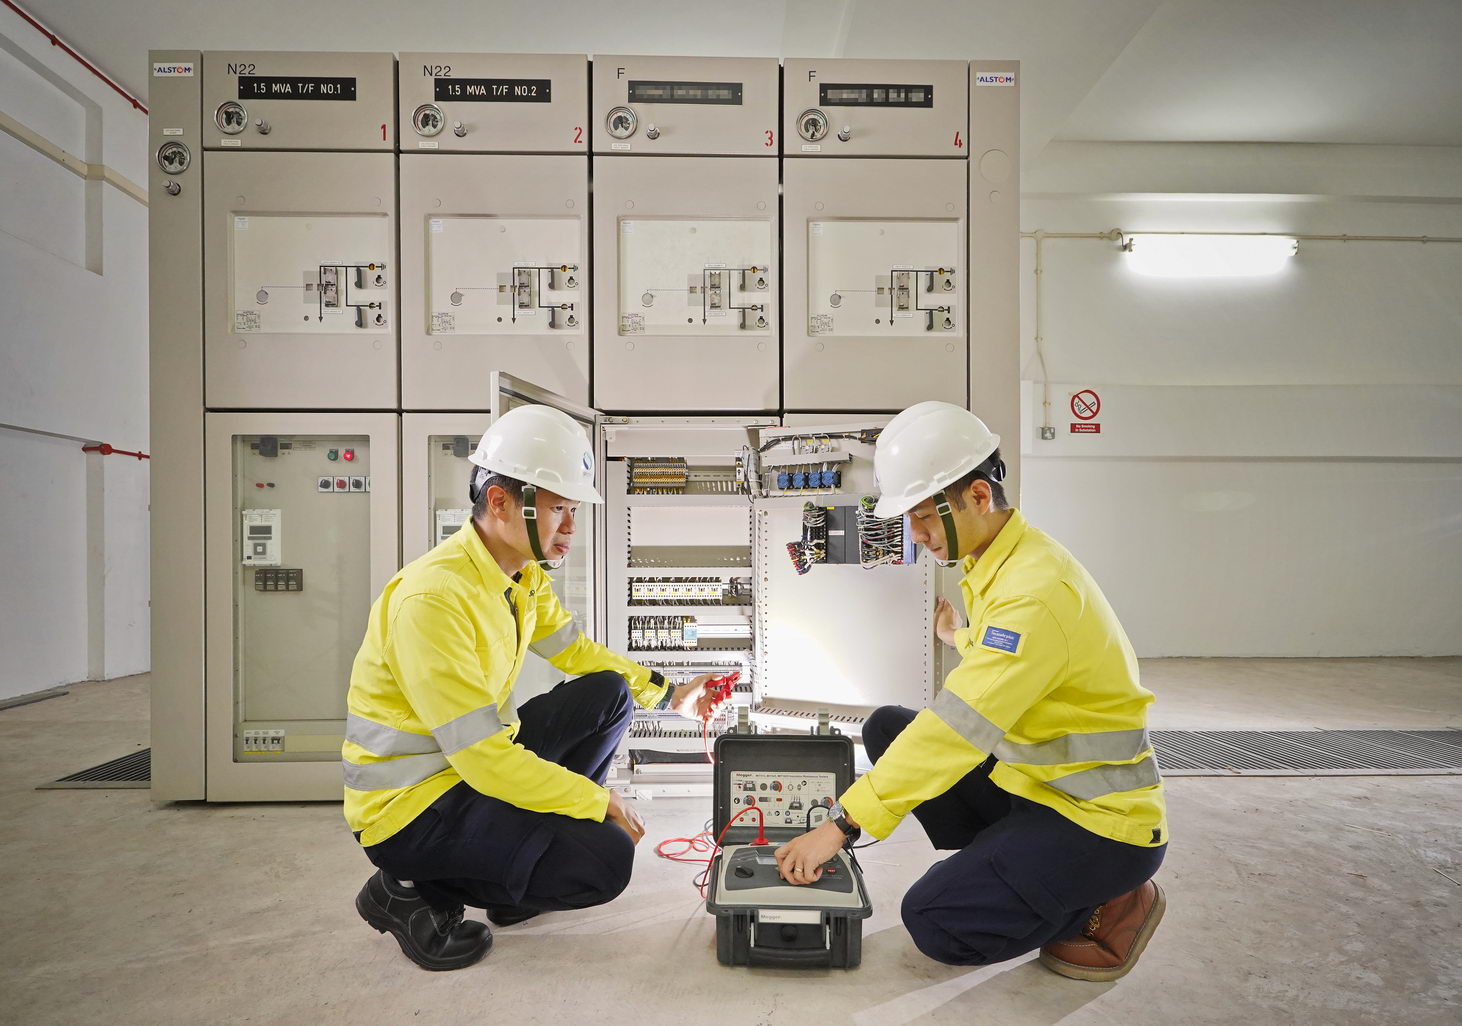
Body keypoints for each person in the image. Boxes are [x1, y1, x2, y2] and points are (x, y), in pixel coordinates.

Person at [773, 401, 1168, 981]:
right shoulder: (1004, 562)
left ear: (979, 496)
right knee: (887, 726)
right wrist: (956, 635)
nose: (916, 535)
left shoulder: (1034, 591)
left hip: (1100, 822)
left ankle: (1106, 905)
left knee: (935, 919)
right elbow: (1011, 659)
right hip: (1035, 788)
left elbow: (957, 727)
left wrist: (842, 824)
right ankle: (1011, 865)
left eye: (924, 517)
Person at [343, 404, 723, 971]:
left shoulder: (519, 575)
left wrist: (670, 695)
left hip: (467, 769)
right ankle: (408, 890)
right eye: (557, 509)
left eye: (573, 510)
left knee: (608, 695)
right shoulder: (433, 600)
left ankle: (511, 878)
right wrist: (597, 801)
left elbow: (576, 652)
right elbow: (482, 758)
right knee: (604, 862)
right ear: (500, 502)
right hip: (411, 808)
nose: (570, 527)